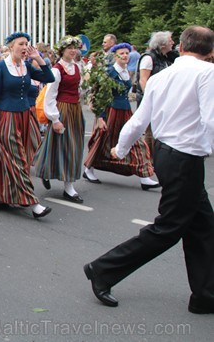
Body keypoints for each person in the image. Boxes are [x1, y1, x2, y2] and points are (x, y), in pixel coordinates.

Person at [83, 26, 214, 313]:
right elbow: (210, 120)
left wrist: (122, 146)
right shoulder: (207, 74)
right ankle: (104, 269)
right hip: (185, 160)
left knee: (203, 225)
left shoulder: (161, 76)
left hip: (166, 155)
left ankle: (205, 295)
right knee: (168, 228)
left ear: (180, 45)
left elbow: (140, 118)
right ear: (211, 52)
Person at [0, 32, 55, 219]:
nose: (25, 47)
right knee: (16, 159)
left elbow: (49, 78)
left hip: (26, 117)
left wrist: (38, 58)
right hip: (6, 117)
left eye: (27, 44)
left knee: (25, 154)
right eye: (21, 44)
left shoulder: (26, 65)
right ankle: (33, 203)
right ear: (10, 47)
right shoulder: (1, 66)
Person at [83, 43, 159, 191]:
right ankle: (89, 169)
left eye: (126, 53)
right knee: (103, 140)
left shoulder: (125, 72)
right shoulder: (109, 72)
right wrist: (100, 117)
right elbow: (99, 96)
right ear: (115, 56)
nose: (125, 56)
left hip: (125, 111)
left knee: (135, 140)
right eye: (121, 53)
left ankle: (145, 177)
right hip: (111, 111)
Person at [34, 35, 85, 203]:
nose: (73, 51)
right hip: (62, 109)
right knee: (61, 145)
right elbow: (50, 96)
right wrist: (55, 119)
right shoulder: (57, 70)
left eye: (74, 48)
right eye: (69, 48)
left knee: (74, 146)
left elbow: (79, 90)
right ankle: (57, 178)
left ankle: (68, 184)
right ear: (62, 51)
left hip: (75, 110)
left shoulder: (77, 67)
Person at [135, 31, 176, 158]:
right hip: (151, 100)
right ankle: (148, 159)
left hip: (163, 99)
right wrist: (150, 99)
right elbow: (143, 80)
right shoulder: (149, 57)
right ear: (162, 44)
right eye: (170, 41)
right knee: (150, 131)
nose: (173, 43)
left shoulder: (166, 57)